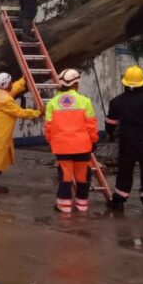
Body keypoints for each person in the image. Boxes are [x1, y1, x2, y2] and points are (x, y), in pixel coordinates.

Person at [105, 66, 143, 217]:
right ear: (142, 82)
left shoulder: (116, 101)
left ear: (125, 82)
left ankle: (119, 200)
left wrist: (111, 134)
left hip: (126, 142)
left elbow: (110, 124)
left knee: (125, 171)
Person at [44, 69, 100, 213]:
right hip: (82, 146)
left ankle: (64, 206)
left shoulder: (52, 103)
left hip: (61, 147)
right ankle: (82, 204)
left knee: (65, 176)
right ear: (76, 84)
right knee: (82, 176)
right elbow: (91, 125)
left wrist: (51, 141)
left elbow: (48, 127)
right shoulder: (85, 101)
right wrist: (93, 141)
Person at [0, 72, 42, 194]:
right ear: (5, 84)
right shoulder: (5, 100)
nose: (11, 84)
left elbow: (12, 90)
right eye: (10, 82)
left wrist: (22, 80)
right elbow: (20, 112)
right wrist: (37, 112)